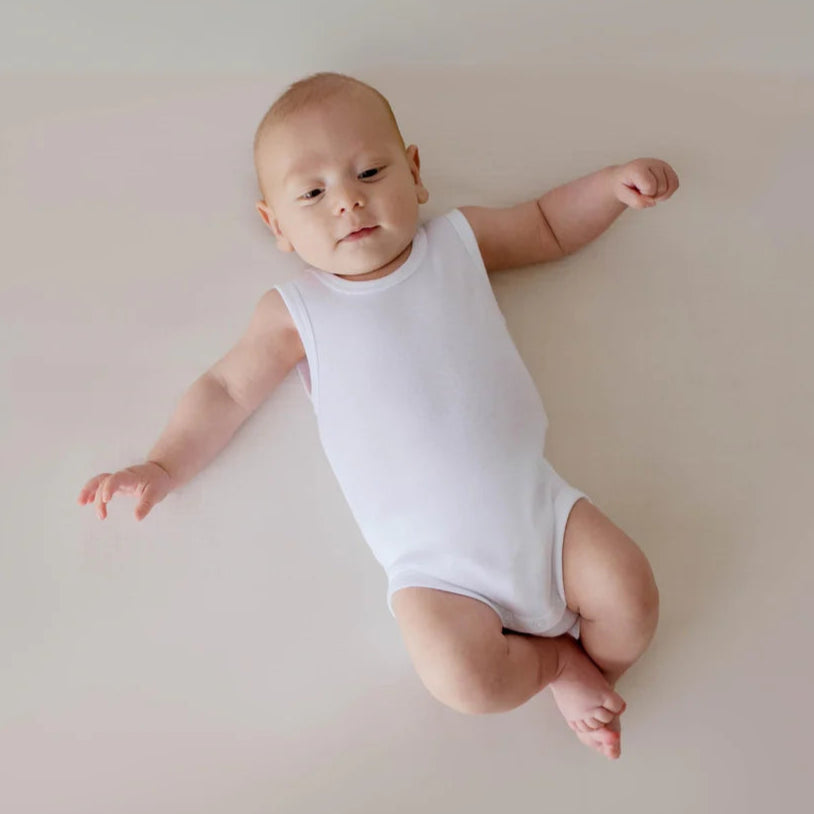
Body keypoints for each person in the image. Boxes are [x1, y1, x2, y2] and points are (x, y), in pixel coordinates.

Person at [78, 72, 678, 760]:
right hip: (433, 571)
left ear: (415, 173)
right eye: (312, 193)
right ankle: (554, 667)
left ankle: (590, 671)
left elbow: (544, 226)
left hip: (542, 514)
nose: (349, 201)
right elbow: (225, 390)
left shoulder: (457, 242)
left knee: (632, 598)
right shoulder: (297, 312)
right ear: (275, 224)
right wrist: (162, 463)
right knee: (463, 678)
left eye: (369, 170)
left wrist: (608, 189)